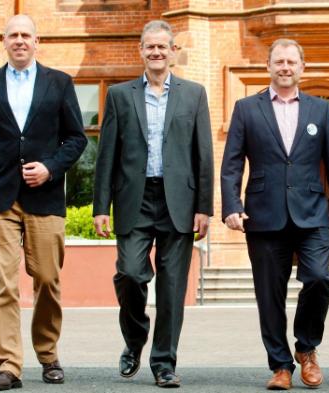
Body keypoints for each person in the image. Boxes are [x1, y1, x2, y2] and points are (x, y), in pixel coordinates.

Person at [0, 14, 87, 391]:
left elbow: (77, 139)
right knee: (3, 285)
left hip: (44, 198)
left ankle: (48, 353)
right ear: (4, 41)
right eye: (13, 35)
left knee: (47, 279)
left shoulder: (59, 83)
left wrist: (50, 167)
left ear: (37, 41)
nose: (20, 41)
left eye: (26, 35)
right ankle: (9, 365)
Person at [220, 38, 329, 390]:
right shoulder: (246, 108)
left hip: (312, 214)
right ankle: (280, 365)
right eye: (279, 61)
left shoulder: (320, 110)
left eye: (291, 61)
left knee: (319, 279)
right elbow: (232, 164)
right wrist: (232, 206)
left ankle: (306, 348)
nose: (285, 67)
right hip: (263, 215)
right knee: (269, 293)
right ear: (268, 66)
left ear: (302, 68)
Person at [92, 20, 213, 389]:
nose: (157, 52)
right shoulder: (119, 94)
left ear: (173, 51)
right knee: (130, 273)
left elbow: (203, 154)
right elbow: (106, 153)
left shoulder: (194, 94)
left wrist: (204, 207)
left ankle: (164, 363)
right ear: (141, 51)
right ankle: (135, 338)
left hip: (179, 200)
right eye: (150, 47)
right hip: (135, 198)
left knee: (173, 288)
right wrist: (101, 206)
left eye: (163, 47)